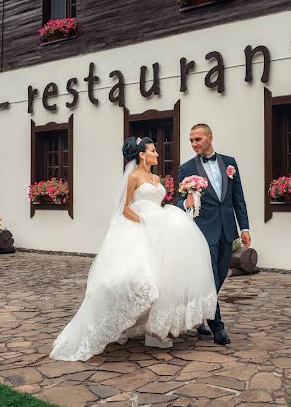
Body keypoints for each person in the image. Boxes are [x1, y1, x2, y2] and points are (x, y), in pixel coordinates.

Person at [50, 137, 217, 361]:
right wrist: (144, 223)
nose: (157, 154)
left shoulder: (156, 177)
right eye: (153, 150)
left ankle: (155, 331)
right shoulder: (133, 177)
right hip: (139, 230)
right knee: (137, 280)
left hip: (160, 231)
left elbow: (159, 205)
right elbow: (125, 208)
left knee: (164, 278)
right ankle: (117, 323)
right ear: (142, 154)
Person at [176, 123, 250, 346]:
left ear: (210, 138)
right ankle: (217, 327)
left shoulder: (229, 163)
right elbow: (176, 200)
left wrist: (244, 228)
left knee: (219, 276)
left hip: (227, 229)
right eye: (191, 140)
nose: (194, 144)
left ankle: (201, 312)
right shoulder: (186, 168)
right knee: (209, 278)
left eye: (198, 139)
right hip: (203, 231)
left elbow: (238, 198)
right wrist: (185, 202)